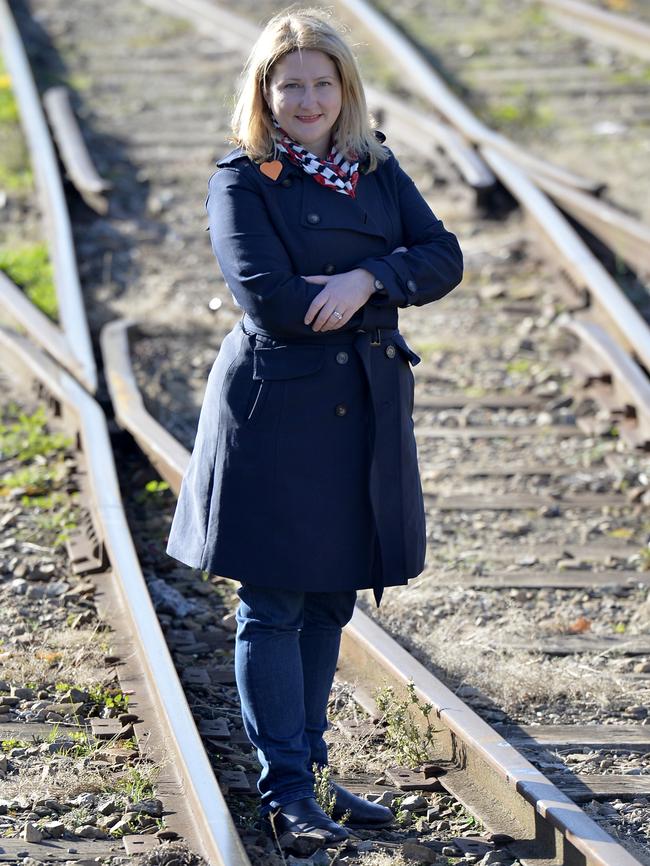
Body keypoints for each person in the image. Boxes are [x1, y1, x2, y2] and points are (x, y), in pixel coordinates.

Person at [166, 7, 463, 848]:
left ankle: (316, 775)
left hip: (363, 406)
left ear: (344, 92)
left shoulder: (374, 168)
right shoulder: (242, 180)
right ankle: (285, 790)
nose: (305, 99)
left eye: (320, 85)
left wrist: (371, 275)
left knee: (330, 597)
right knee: (276, 600)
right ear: (264, 91)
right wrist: (340, 289)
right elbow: (271, 299)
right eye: (289, 84)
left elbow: (443, 255)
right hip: (276, 412)